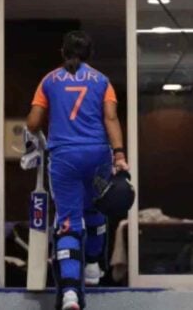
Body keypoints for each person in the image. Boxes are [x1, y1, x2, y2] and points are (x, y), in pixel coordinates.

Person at [26, 31, 129, 310]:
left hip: (64, 158)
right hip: (97, 154)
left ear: (63, 52)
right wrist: (119, 154)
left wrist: (36, 122)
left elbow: (34, 123)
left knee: (69, 222)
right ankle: (93, 265)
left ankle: (70, 293)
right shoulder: (102, 81)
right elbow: (111, 118)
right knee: (96, 209)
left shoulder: (49, 80)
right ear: (89, 53)